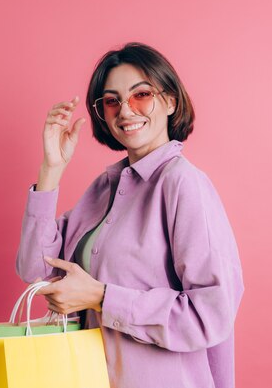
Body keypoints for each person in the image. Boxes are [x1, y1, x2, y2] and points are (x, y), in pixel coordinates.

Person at [16, 42, 244, 388]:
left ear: (170, 102)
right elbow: (35, 268)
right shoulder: (103, 188)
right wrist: (51, 169)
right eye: (112, 101)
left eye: (141, 95)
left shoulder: (183, 184)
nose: (125, 111)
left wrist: (101, 297)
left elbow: (210, 316)